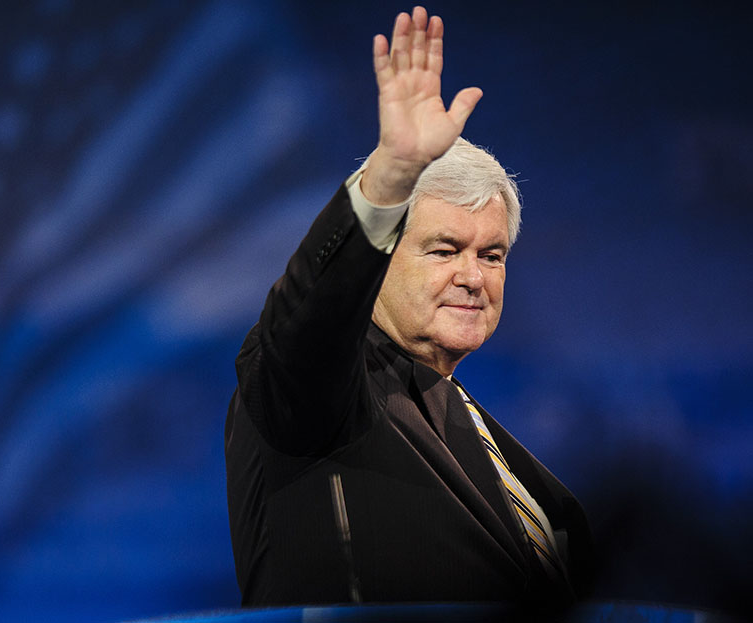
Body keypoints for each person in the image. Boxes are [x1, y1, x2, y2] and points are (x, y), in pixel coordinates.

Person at [225, 6, 594, 609]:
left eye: (492, 254)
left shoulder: (464, 416)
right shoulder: (322, 391)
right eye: (444, 249)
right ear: (379, 261)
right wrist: (392, 177)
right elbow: (308, 319)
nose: (473, 276)